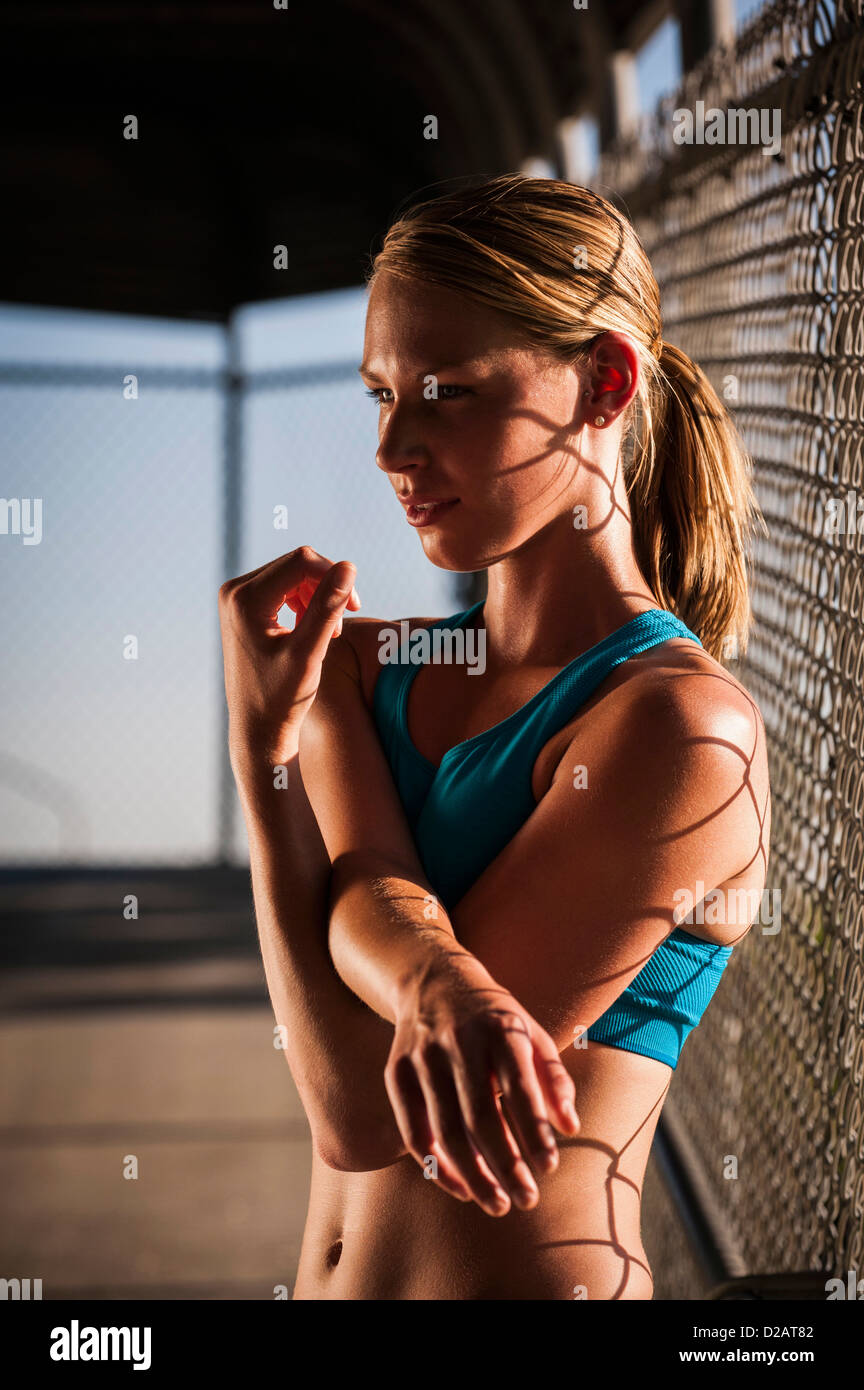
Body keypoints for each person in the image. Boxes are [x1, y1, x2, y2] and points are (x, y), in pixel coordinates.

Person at [218, 174, 771, 1300]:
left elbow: (366, 1112)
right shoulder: (365, 668)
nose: (391, 446)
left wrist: (267, 773)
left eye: (447, 392)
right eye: (379, 395)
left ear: (603, 384)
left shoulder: (678, 730)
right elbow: (374, 882)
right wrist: (426, 970)